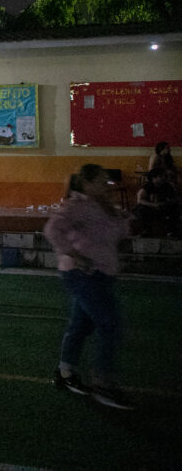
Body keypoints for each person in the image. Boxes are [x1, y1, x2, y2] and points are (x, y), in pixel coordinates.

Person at [45, 164, 133, 410]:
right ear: (88, 184)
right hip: (83, 274)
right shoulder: (78, 206)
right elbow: (52, 229)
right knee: (109, 323)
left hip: (102, 275)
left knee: (81, 325)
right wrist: (75, 254)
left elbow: (119, 232)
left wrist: (123, 219)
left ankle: (65, 373)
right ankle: (103, 384)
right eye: (103, 182)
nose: (108, 186)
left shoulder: (106, 209)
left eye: (108, 182)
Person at [134, 167, 179, 237]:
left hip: (163, 207)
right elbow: (140, 200)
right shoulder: (148, 187)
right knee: (140, 209)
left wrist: (167, 203)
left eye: (164, 176)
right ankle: (146, 230)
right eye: (161, 176)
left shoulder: (167, 186)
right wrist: (154, 205)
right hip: (150, 208)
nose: (164, 178)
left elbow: (174, 198)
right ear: (153, 178)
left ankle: (171, 231)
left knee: (175, 208)